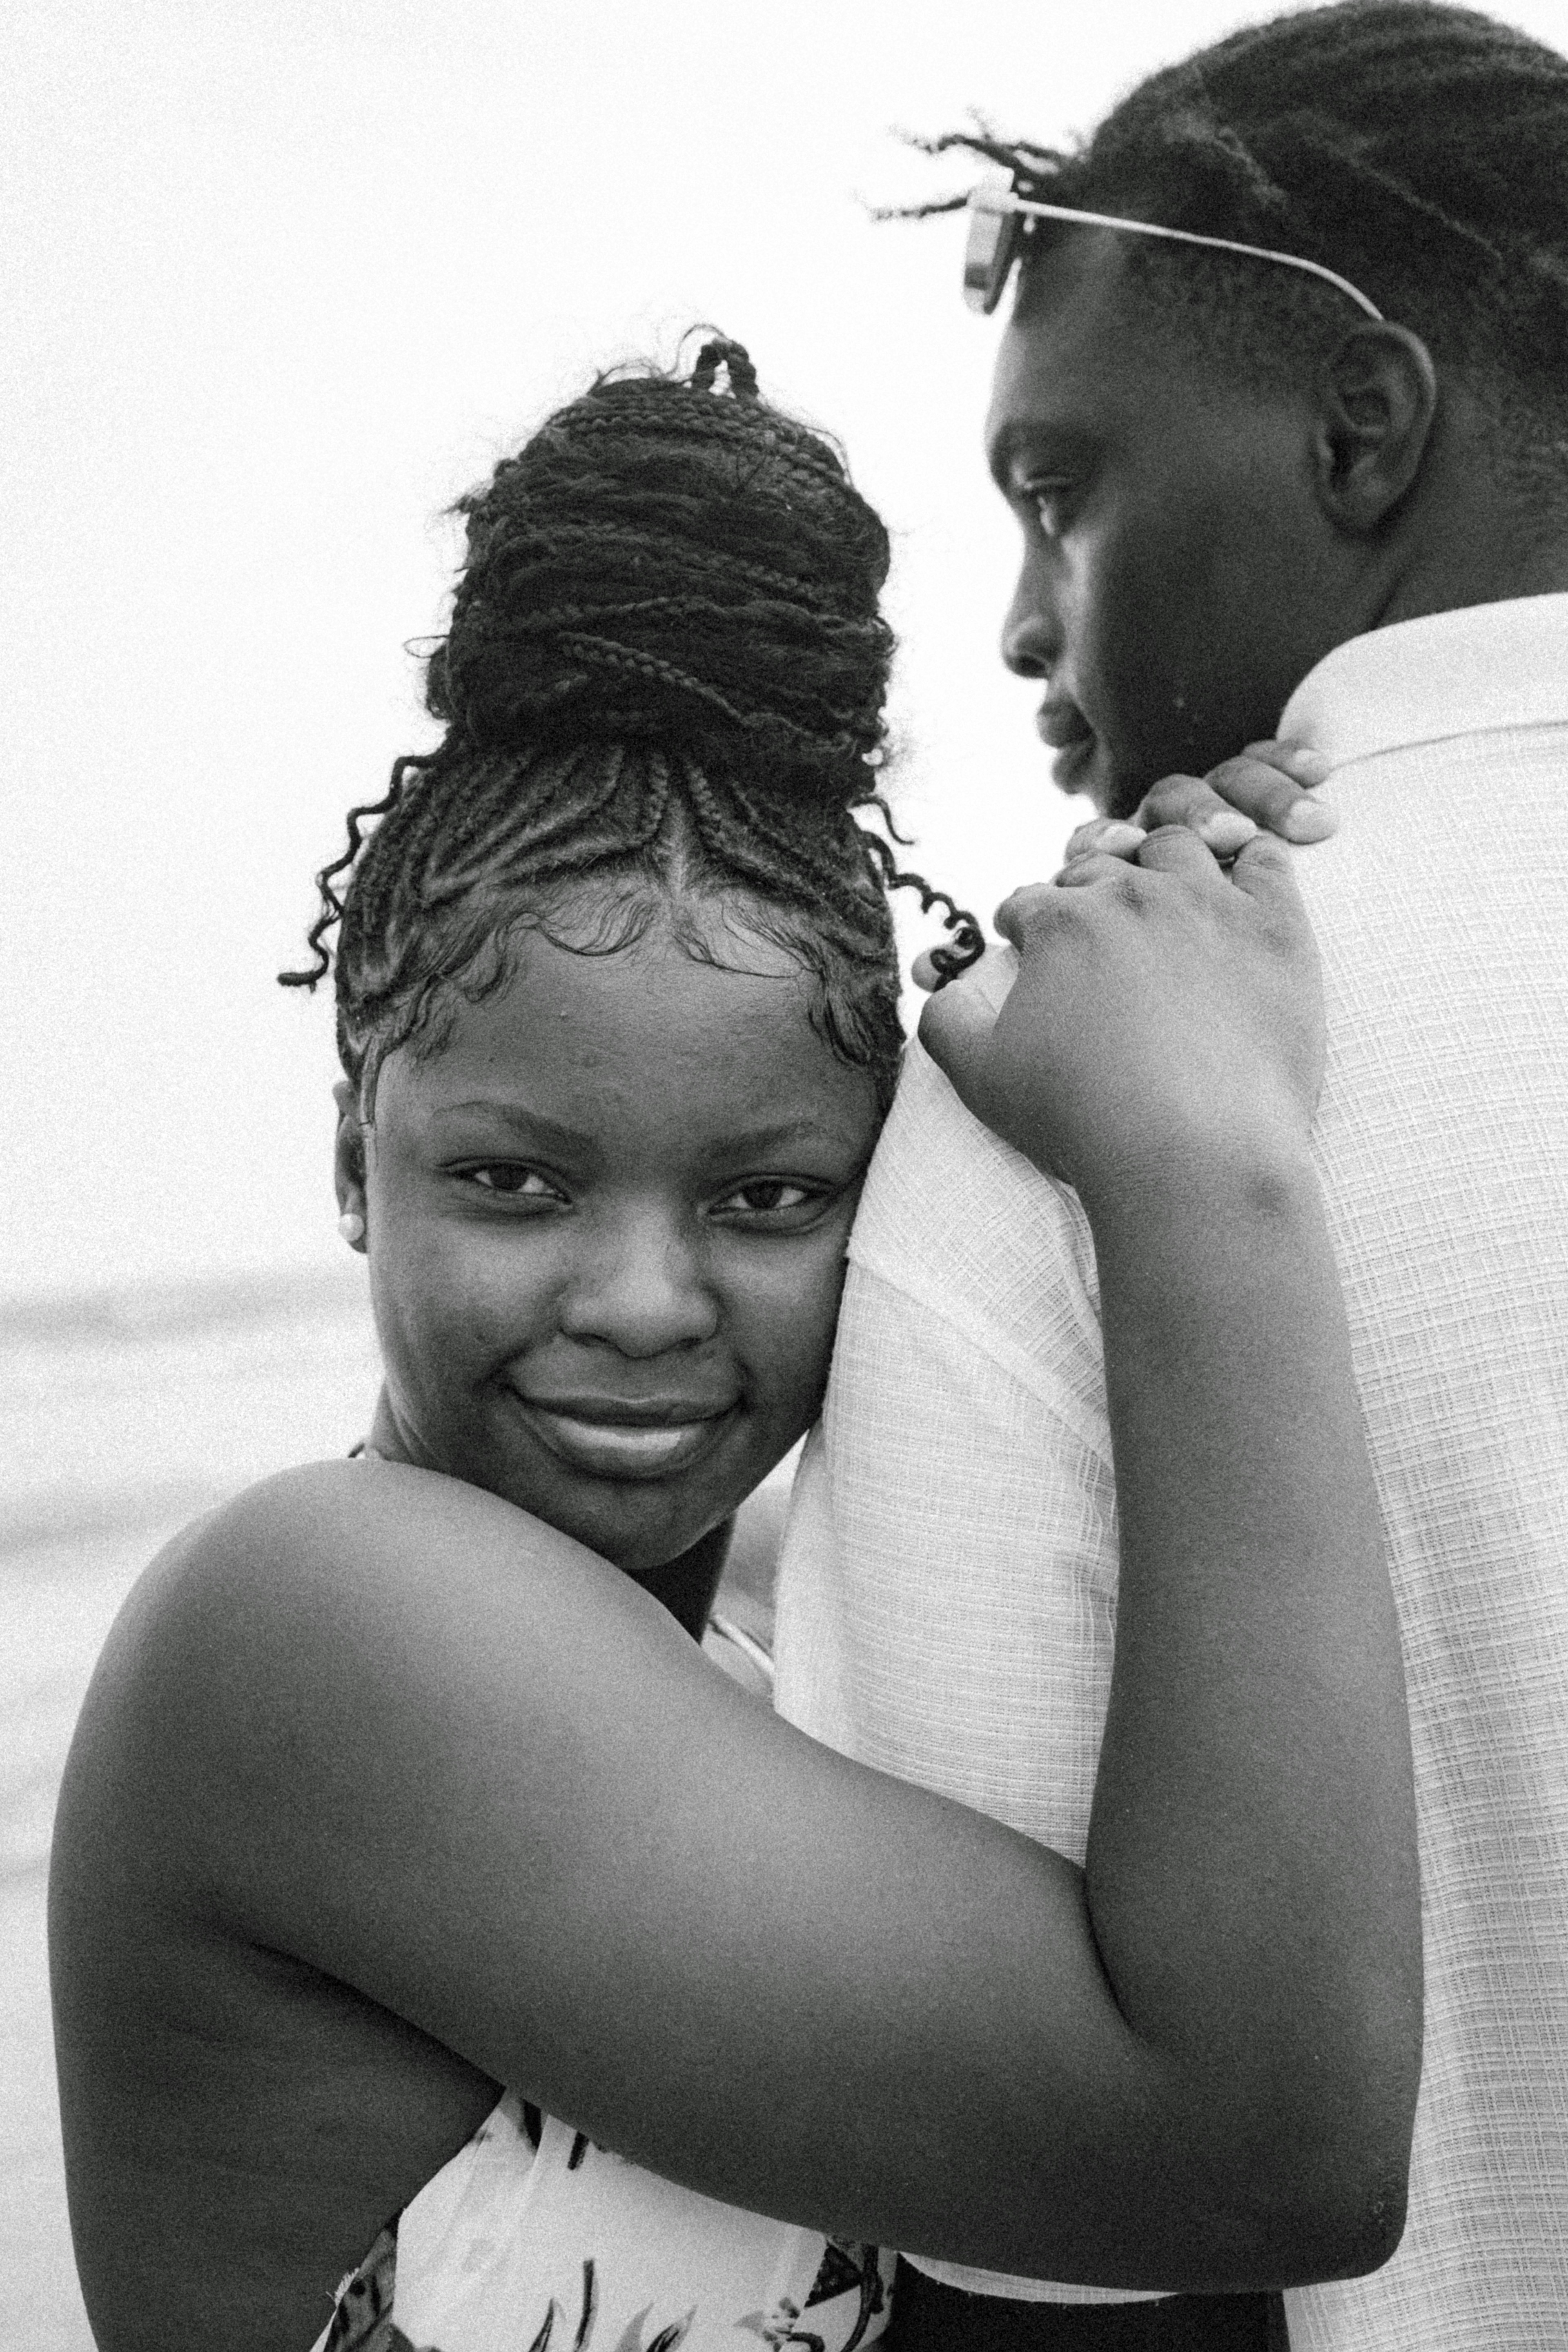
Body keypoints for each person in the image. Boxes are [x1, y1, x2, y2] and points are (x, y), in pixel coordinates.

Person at [47, 341, 1419, 2352]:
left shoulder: (784, 1649)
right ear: (360, 1150)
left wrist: (1162, 931)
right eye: (515, 1184)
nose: (640, 1301)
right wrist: (1199, 1153)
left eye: (767, 1197)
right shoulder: (313, 1622)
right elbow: (1268, 2145)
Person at [775, 4, 1568, 2346]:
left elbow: (1055, 2269)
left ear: (1362, 425)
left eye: (1062, 487)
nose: (1023, 621)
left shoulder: (1062, 1106)